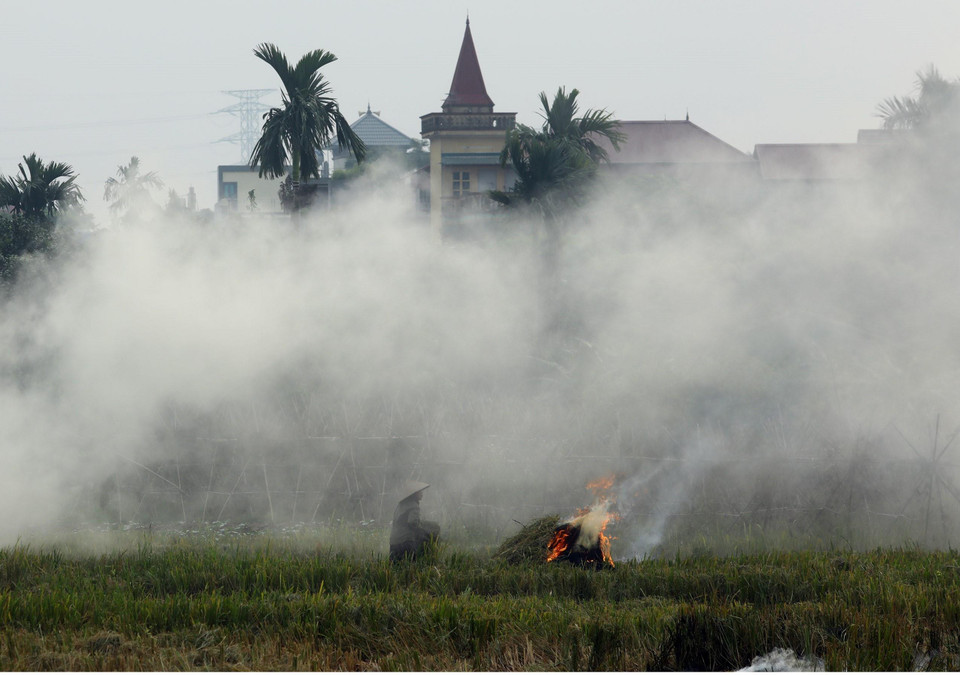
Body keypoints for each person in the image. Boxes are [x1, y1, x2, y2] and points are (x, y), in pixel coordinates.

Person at [389, 480, 440, 562]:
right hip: (406, 542)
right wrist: (426, 532)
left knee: (395, 567)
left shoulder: (400, 505)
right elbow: (413, 523)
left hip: (393, 542)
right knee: (410, 566)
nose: (422, 493)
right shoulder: (414, 506)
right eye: (420, 492)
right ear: (414, 494)